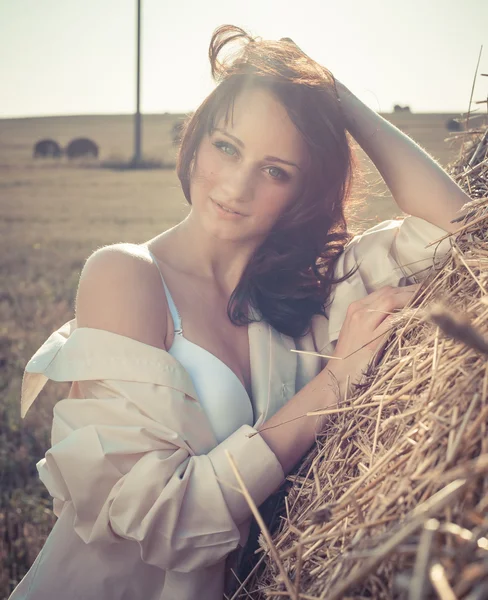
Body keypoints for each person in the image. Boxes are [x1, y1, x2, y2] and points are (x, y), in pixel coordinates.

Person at [11, 25, 468, 600]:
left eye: (275, 170)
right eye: (226, 146)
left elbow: (460, 230)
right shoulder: (127, 276)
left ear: (304, 191)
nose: (236, 185)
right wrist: (333, 382)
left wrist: (332, 93)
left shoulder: (309, 294)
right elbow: (159, 518)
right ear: (196, 140)